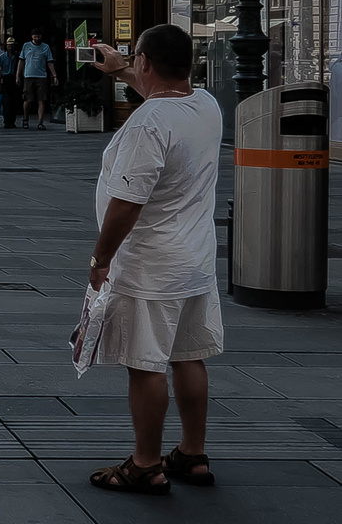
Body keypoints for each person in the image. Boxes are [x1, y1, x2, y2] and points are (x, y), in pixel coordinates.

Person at [86, 27, 224, 495]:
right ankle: (192, 453)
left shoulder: (148, 123)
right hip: (195, 259)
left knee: (146, 364)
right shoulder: (205, 105)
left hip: (150, 263)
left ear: (145, 62)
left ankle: (145, 463)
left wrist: (101, 258)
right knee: (189, 357)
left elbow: (127, 203)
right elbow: (161, 88)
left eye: (136, 60)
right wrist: (121, 67)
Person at [19, 29, 59, 130]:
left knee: (42, 99)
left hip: (41, 76)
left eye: (38, 36)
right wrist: (18, 75)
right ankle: (25, 119)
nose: (37, 38)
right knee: (28, 99)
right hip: (28, 75)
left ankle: (40, 122)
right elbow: (21, 61)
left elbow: (50, 62)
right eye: (35, 36)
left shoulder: (45, 47)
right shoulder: (26, 46)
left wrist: (54, 76)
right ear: (32, 36)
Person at [0, 37, 21, 128]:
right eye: (9, 46)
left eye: (12, 46)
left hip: (14, 78)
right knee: (6, 101)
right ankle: (6, 121)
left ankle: (12, 121)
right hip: (6, 78)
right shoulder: (2, 57)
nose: (10, 48)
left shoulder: (18, 55)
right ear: (6, 46)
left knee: (14, 101)